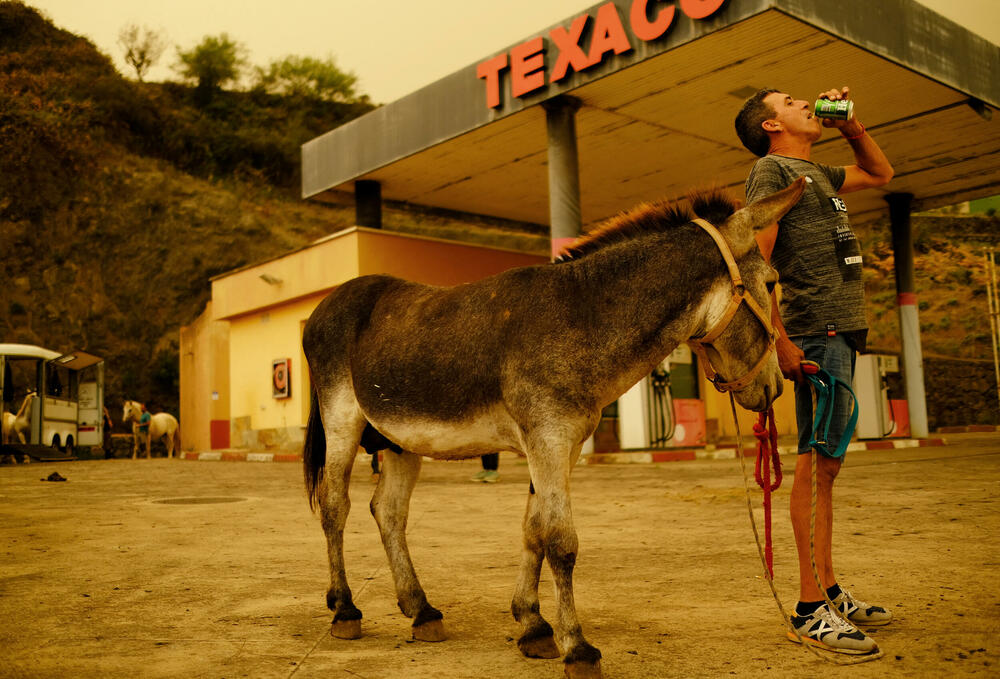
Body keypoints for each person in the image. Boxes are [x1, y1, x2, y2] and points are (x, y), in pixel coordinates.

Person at [735, 87, 894, 654]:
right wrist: (778, 342)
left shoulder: (817, 172)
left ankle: (828, 589)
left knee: (828, 467)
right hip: (815, 332)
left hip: (841, 330)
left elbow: (879, 172)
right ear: (772, 126)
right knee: (815, 462)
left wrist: (852, 124)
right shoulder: (772, 170)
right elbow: (755, 261)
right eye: (794, 102)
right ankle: (808, 608)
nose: (809, 105)